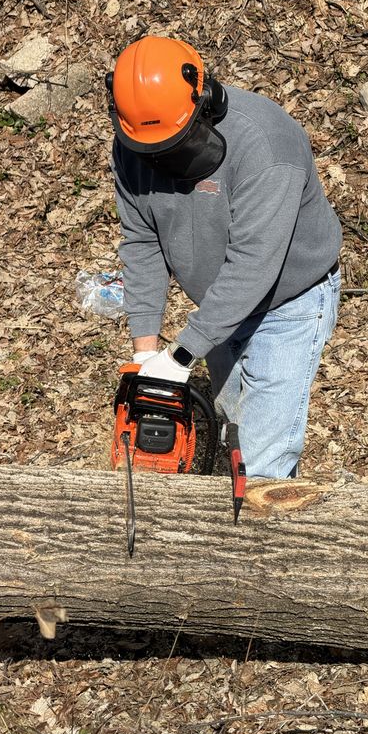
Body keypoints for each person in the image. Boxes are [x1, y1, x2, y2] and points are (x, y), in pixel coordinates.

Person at [107, 35, 342, 478]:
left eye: (172, 144)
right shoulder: (134, 142)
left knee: (259, 469)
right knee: (231, 426)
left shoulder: (267, 146)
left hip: (288, 302)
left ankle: (256, 542)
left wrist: (182, 356)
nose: (159, 159)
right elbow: (141, 242)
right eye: (150, 149)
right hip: (218, 304)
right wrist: (146, 352)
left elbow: (254, 263)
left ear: (206, 99)